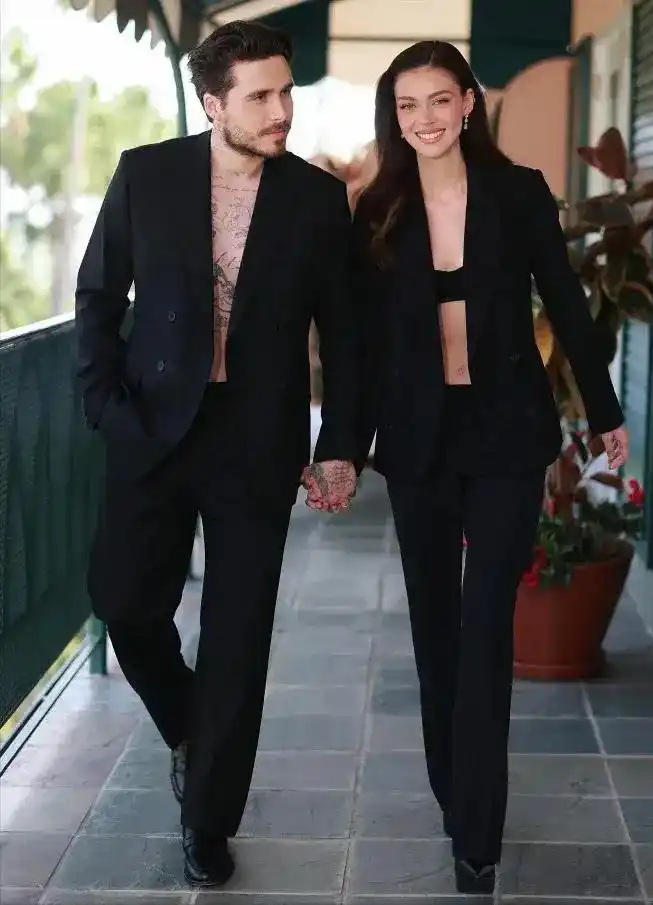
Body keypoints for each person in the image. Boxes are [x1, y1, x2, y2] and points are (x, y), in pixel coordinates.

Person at [75, 20, 356, 888]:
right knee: (124, 601)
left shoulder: (317, 198)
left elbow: (347, 334)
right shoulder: (147, 173)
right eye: (260, 96)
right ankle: (193, 728)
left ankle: (207, 818)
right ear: (213, 104)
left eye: (286, 91)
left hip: (255, 437)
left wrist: (341, 445)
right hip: (152, 425)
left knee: (238, 633)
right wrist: (104, 403)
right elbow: (97, 294)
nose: (280, 111)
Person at [349, 41, 628, 894]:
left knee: (484, 625)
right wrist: (340, 448)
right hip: (419, 440)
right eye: (408, 105)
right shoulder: (378, 209)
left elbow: (567, 303)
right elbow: (358, 346)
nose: (425, 118)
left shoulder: (517, 192)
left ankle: (478, 834)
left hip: (506, 433)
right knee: (435, 624)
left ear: (468, 103)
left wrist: (606, 411)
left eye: (440, 99)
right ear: (394, 117)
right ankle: (454, 785)